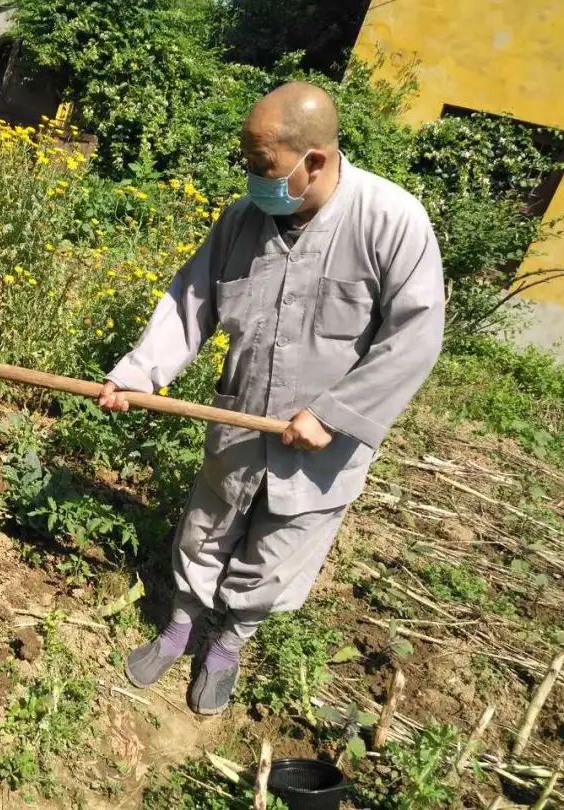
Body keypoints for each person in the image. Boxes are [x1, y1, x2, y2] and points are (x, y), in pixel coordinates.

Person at [97, 81, 445, 715]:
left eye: (263, 165)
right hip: (239, 412)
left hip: (323, 447)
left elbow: (415, 338)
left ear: (313, 160)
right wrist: (139, 373)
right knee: (207, 526)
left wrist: (335, 416)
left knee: (281, 551)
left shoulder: (391, 222)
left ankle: (228, 643)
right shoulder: (242, 220)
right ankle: (179, 623)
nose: (253, 179)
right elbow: (190, 300)